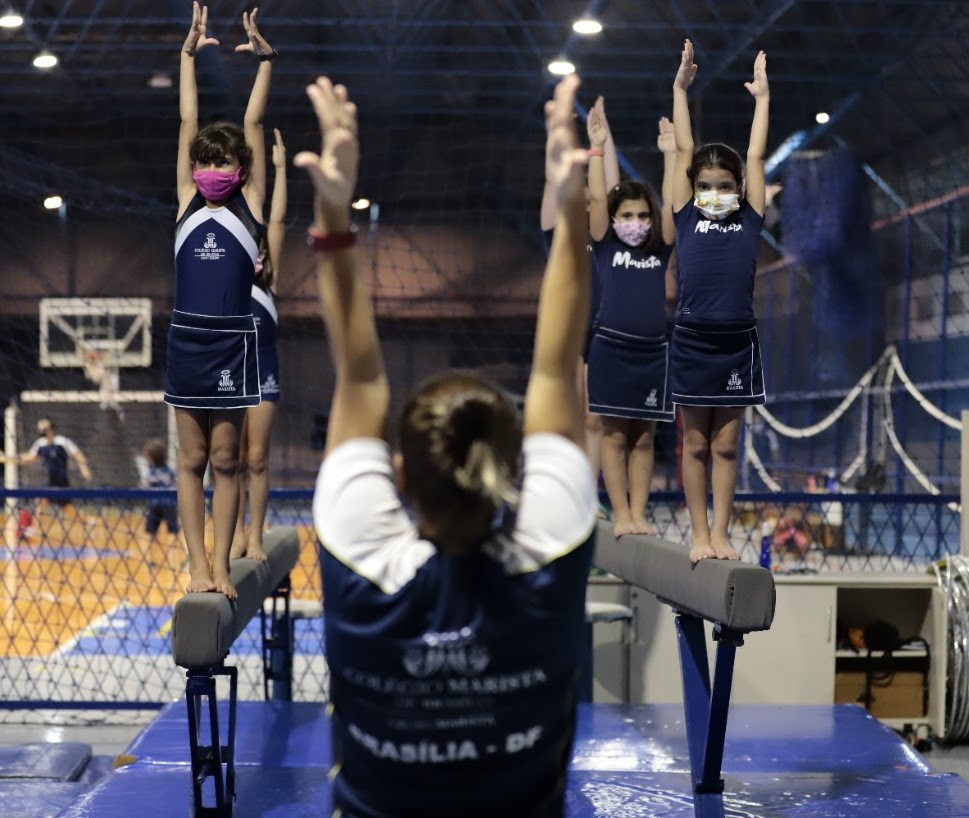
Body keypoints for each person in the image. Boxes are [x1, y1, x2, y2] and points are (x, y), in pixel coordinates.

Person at [306, 73, 595, 817]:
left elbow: (358, 375)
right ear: (513, 469)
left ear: (398, 476)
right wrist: (569, 215)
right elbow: (557, 367)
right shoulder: (547, 552)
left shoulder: (363, 555)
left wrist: (335, 218)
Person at [165, 3, 275, 598]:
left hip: (233, 343)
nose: (211, 168)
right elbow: (187, 121)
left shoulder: (247, 207)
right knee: (191, 458)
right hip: (188, 339)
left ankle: (225, 567)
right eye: (204, 161)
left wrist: (265, 63)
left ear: (240, 169)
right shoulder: (186, 202)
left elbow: (253, 126)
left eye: (222, 161)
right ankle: (197, 565)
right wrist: (187, 55)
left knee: (227, 456)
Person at [669, 40, 769, 563]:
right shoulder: (685, 216)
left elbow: (755, 154)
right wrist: (679, 89)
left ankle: (723, 533)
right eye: (705, 185)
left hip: (735, 343)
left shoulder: (748, 219)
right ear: (693, 189)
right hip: (691, 339)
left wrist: (763, 98)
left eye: (724, 185)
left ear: (740, 189)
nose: (714, 192)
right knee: (697, 446)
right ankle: (699, 534)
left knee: (726, 447)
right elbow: (685, 151)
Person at [586, 99, 677, 538]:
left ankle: (640, 514)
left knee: (644, 439)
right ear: (614, 218)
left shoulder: (658, 249)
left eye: (644, 215)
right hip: (611, 350)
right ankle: (620, 512)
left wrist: (672, 157)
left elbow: (673, 208)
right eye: (628, 215)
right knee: (615, 436)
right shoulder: (607, 244)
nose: (637, 222)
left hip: (652, 355)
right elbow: (600, 200)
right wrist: (598, 148)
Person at [538, 95, 620, 516]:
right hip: (569, 330)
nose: (589, 205)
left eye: (594, 200)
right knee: (563, 418)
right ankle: (560, 494)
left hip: (602, 329)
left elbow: (614, 193)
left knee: (594, 421)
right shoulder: (559, 232)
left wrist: (601, 142)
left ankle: (587, 499)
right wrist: (560, 136)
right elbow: (554, 185)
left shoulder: (608, 235)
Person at [231, 127, 287, 562]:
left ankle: (254, 535)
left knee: (257, 458)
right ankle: (232, 535)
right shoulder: (227, 277)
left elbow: (279, 220)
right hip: (231, 368)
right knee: (228, 458)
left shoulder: (271, 283)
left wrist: (281, 169)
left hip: (263, 369)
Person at [5, 417, 92, 518]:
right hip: (48, 480)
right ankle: (35, 528)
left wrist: (84, 469)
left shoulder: (62, 441)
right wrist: (8, 459)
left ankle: (89, 521)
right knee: (41, 503)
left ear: (51, 429)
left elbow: (78, 455)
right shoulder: (40, 444)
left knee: (67, 509)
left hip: (61, 481)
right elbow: (29, 457)